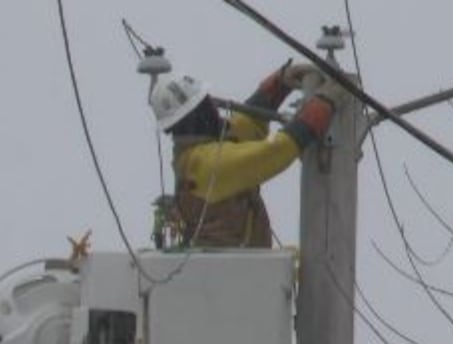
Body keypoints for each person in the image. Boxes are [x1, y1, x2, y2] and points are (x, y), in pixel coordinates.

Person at [149, 62, 348, 248]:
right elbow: (276, 150)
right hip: (232, 268)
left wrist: (279, 84)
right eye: (206, 103)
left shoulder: (198, 151)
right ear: (199, 115)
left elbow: (246, 124)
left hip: (235, 265)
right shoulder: (208, 165)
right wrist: (324, 103)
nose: (214, 110)